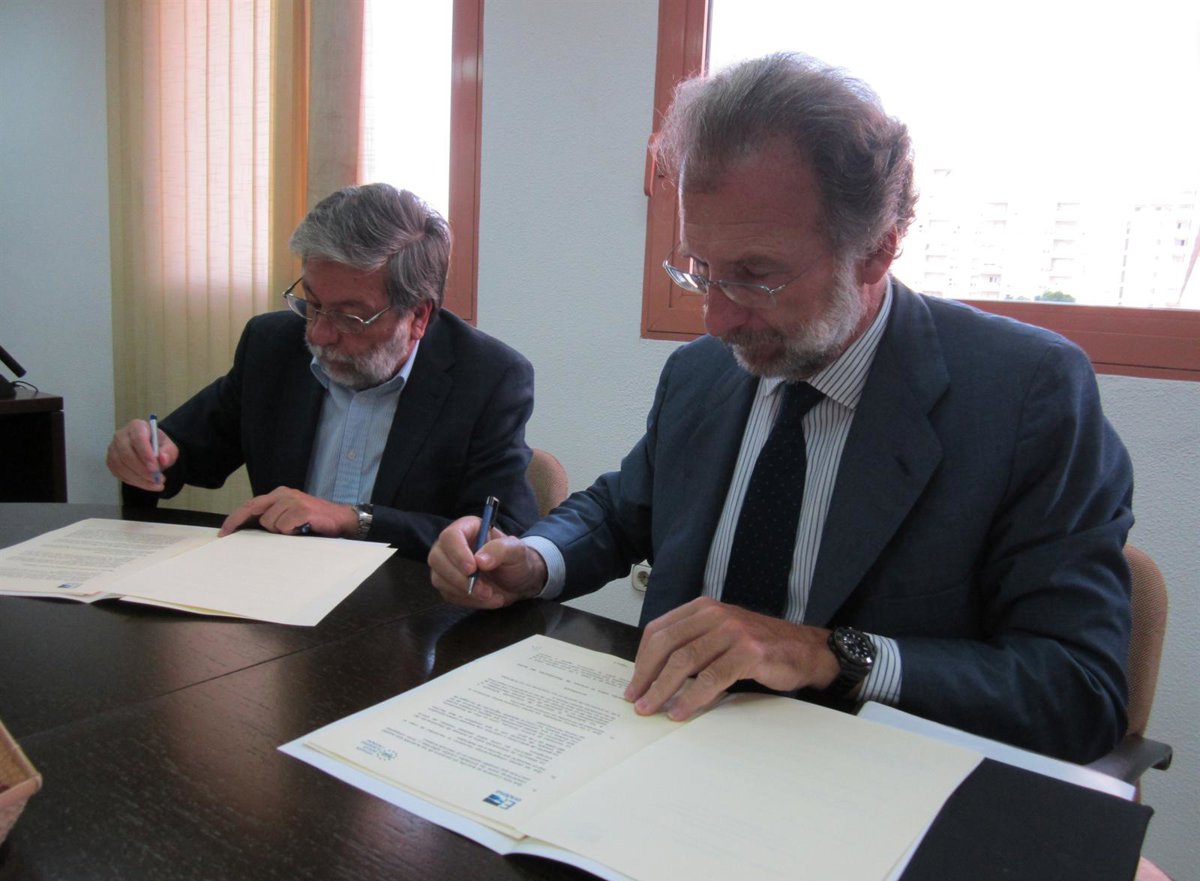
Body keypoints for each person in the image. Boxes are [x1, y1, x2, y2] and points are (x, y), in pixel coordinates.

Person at [427, 53, 1136, 764]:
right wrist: (532, 558)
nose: (716, 320)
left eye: (756, 275)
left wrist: (829, 654)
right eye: (701, 270)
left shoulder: (1024, 394)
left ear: (877, 249)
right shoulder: (703, 373)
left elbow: (1078, 689)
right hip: (665, 750)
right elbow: (623, 511)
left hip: (862, 779)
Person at [108, 183, 539, 560]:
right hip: (277, 595)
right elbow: (186, 451)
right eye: (312, 304)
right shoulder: (272, 346)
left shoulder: (487, 378)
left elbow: (501, 537)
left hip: (405, 609)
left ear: (418, 316)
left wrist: (355, 519)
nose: (319, 333)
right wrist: (148, 455)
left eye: (351, 317)